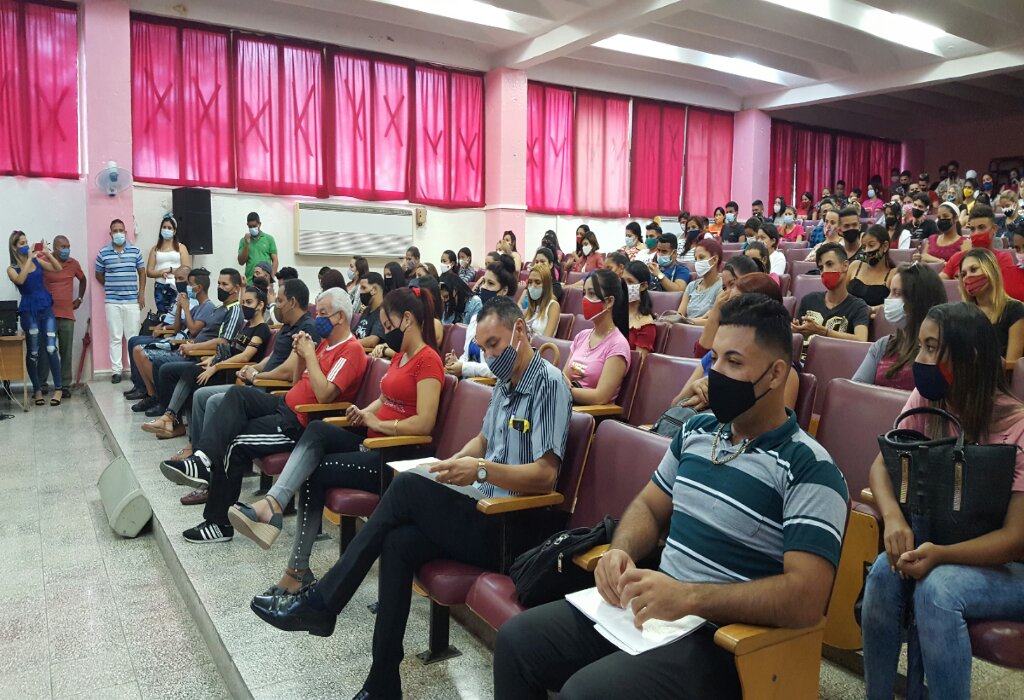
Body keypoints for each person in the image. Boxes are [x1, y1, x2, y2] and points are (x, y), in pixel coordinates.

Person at [495, 293, 848, 700]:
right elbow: (648, 505)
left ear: (775, 374)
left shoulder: (810, 467)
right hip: (658, 609)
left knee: (584, 694)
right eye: (714, 358)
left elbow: (805, 598)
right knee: (516, 642)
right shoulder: (697, 431)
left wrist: (690, 597)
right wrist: (620, 550)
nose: (715, 372)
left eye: (733, 362)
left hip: (724, 640)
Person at [251, 296, 573, 700]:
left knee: (403, 487)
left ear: (520, 330)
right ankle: (383, 681)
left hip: (513, 526)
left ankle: (323, 601)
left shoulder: (548, 384)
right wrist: (449, 465)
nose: (491, 355)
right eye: (485, 347)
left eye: (495, 344)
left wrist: (480, 470)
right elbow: (484, 440)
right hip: (482, 506)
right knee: (397, 542)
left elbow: (545, 476)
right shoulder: (505, 385)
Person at [861, 302, 1024, 700]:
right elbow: (881, 467)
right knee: (884, 572)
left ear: (968, 356)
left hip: (1010, 570)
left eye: (932, 347)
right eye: (921, 346)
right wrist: (894, 520)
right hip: (939, 545)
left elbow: (1016, 540)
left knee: (939, 589)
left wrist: (942, 555)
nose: (920, 358)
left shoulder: (1018, 427)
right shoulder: (928, 400)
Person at [233, 285, 443, 568]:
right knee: (318, 432)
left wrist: (378, 422)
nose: (385, 329)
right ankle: (276, 511)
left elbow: (425, 422)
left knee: (313, 469)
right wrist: (364, 412)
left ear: (407, 320)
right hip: (372, 440)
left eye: (388, 323)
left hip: (393, 456)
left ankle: (295, 563)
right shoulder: (399, 356)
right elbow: (385, 397)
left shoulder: (429, 359)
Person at [160, 287, 367, 544]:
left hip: (300, 424)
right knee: (237, 394)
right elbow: (296, 381)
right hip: (285, 405)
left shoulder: (352, 351)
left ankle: (218, 523)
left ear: (340, 317)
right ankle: (202, 459)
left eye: (323, 313)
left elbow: (324, 395)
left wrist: (310, 355)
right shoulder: (325, 345)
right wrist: (303, 356)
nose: (317, 319)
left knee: (233, 444)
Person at [171, 279, 319, 505]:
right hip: (259, 383)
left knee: (214, 402)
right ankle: (200, 459)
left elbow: (290, 370)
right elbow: (272, 358)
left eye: (279, 301)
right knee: (202, 397)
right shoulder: (287, 326)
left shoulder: (307, 328)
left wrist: (258, 376)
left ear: (292, 302)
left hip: (272, 390)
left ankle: (210, 475)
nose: (276, 305)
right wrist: (254, 368)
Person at [142, 285, 271, 438]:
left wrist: (216, 366)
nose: (244, 306)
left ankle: (169, 418)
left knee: (191, 375)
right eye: (243, 302)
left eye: (249, 302)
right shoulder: (245, 325)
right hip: (221, 364)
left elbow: (245, 357)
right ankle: (171, 421)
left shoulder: (262, 329)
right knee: (172, 371)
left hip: (232, 372)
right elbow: (229, 348)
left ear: (260, 305)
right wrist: (211, 359)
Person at [673, 274, 799, 410]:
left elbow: (775, 423)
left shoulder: (783, 371)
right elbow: (673, 408)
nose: (716, 369)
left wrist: (721, 396)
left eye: (734, 362)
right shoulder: (713, 356)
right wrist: (694, 387)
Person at [136, 269, 244, 417]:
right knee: (152, 358)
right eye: (219, 283)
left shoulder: (234, 310)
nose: (220, 287)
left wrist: (194, 347)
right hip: (192, 348)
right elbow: (190, 330)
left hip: (204, 356)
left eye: (225, 284)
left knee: (162, 366)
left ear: (237, 288)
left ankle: (167, 411)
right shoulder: (220, 308)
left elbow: (223, 342)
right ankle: (165, 409)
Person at [125, 268, 222, 409]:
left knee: (142, 352)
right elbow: (177, 327)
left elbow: (194, 330)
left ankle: (159, 396)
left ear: (199, 288)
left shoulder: (208, 307)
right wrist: (179, 308)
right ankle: (153, 395)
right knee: (137, 349)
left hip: (186, 347)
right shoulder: (196, 307)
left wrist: (186, 309)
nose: (186, 286)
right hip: (179, 340)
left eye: (189, 284)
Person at [853, 263, 947, 390]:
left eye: (896, 293)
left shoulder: (941, 351)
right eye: (890, 292)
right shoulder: (883, 345)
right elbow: (855, 390)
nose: (888, 299)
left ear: (918, 300)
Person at [7, 231, 64, 406]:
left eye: (26, 241)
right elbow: (20, 280)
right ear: (14, 247)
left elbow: (57, 268)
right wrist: (28, 259)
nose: (26, 245)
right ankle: (37, 390)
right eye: (22, 243)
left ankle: (58, 389)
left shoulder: (37, 261)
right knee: (33, 352)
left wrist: (47, 254)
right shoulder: (11, 269)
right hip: (28, 310)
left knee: (51, 347)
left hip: (45, 307)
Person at [564, 269, 630, 406]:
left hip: (590, 416)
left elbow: (600, 397)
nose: (585, 299)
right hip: (568, 407)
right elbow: (564, 376)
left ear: (609, 301)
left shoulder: (618, 345)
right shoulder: (581, 336)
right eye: (584, 293)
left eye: (592, 294)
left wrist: (565, 390)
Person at [445, 260, 519, 379]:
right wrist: (457, 362)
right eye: (483, 282)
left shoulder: (508, 324)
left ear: (504, 291)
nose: (484, 287)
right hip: (469, 383)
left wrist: (464, 368)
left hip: (488, 388)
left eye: (490, 283)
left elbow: (499, 368)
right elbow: (466, 354)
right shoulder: (476, 318)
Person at [95, 218, 146, 383]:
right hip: (112, 302)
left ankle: (134, 370)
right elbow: (98, 274)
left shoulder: (135, 251)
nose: (118, 233)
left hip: (132, 301)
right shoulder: (103, 253)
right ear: (111, 234)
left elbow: (142, 273)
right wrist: (111, 286)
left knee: (133, 336)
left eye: (121, 230)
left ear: (125, 232)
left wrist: (141, 294)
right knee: (115, 337)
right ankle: (116, 371)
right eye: (115, 231)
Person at [941, 204, 1024, 301]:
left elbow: (999, 292)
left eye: (981, 227)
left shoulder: (1003, 258)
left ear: (994, 229)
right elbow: (939, 282)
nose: (976, 233)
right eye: (972, 229)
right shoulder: (957, 257)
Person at [959, 248, 1024, 368]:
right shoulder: (962, 313)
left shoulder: (1015, 309)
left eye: (973, 269)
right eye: (963, 274)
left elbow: (1013, 366)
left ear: (991, 271)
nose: (968, 277)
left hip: (1000, 383)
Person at [793, 242, 870, 342]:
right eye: (821, 268)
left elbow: (861, 340)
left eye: (829, 264)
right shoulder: (808, 300)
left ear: (845, 266)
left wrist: (823, 332)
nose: (824, 271)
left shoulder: (858, 306)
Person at [39, 235, 85, 397]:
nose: (66, 249)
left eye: (68, 246)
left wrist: (79, 298)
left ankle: (65, 385)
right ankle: (42, 384)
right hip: (47, 314)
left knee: (66, 352)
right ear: (55, 248)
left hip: (67, 314)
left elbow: (83, 279)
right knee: (45, 350)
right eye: (63, 246)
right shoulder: (44, 261)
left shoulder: (73, 264)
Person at [147, 216, 191, 315]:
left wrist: (170, 270)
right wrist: (160, 273)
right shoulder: (155, 249)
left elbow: (187, 269)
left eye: (169, 228)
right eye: (164, 227)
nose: (166, 230)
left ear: (174, 231)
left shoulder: (181, 247)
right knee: (163, 314)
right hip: (160, 286)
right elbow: (149, 271)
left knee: (177, 313)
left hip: (177, 285)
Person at [674, 238, 723, 323]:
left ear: (714, 260)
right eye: (696, 259)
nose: (697, 262)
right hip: (685, 331)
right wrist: (685, 321)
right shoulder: (691, 286)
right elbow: (679, 316)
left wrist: (687, 321)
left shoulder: (723, 287)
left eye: (701, 257)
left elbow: (714, 321)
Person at [846, 225, 896, 309]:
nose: (867, 251)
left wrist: (870, 310)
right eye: (864, 247)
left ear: (885, 246)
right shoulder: (855, 266)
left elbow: (896, 304)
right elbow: (841, 296)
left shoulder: (893, 274)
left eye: (871, 245)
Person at [622, 261, 656, 357]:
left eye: (630, 281)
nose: (624, 286)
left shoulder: (646, 324)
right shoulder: (613, 313)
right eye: (623, 281)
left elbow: (639, 364)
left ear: (643, 286)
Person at [237, 211, 278, 282]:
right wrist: (247, 244)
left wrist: (270, 279)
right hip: (249, 281)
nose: (252, 228)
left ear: (259, 224)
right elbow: (241, 262)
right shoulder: (243, 240)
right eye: (250, 226)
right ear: (247, 225)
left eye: (254, 226)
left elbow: (275, 260)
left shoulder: (269, 239)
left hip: (265, 282)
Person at [523, 263, 560, 337]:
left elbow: (546, 339)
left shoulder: (553, 306)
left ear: (546, 285)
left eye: (537, 282)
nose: (532, 286)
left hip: (539, 348)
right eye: (530, 282)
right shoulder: (529, 309)